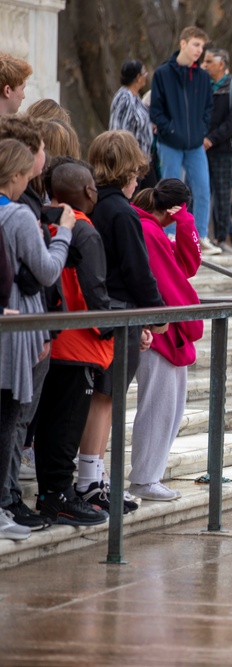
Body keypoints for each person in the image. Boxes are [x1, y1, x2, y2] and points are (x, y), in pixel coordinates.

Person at [77, 130, 166, 514]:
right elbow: (138, 270)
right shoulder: (123, 212)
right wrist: (156, 313)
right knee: (107, 398)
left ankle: (93, 477)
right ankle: (90, 481)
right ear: (129, 168)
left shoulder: (92, 205)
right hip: (119, 312)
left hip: (96, 309)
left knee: (102, 397)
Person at [0, 139, 75, 536]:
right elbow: (47, 271)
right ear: (17, 174)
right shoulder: (16, 216)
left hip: (12, 318)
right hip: (17, 325)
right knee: (12, 415)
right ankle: (5, 501)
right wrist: (63, 234)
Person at [31, 160, 111, 527]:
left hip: (52, 340)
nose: (96, 190)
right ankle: (59, 497)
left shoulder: (41, 218)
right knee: (65, 427)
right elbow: (95, 291)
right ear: (86, 192)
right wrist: (112, 328)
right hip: (79, 346)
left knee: (47, 424)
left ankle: (49, 494)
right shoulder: (84, 230)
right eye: (92, 185)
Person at [128, 179, 204, 500]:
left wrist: (186, 224)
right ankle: (145, 478)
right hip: (157, 328)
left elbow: (186, 265)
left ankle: (150, 475)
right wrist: (189, 318)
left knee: (169, 406)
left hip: (165, 327)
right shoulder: (146, 230)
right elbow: (168, 280)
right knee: (157, 405)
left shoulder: (153, 229)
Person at [149, 26, 218, 255]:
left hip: (195, 144)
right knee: (169, 187)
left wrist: (200, 131)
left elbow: (209, 108)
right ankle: (168, 233)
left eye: (202, 46)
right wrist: (169, 131)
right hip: (170, 142)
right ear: (183, 43)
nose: (200, 50)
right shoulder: (162, 74)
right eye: (196, 44)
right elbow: (156, 110)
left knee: (202, 187)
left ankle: (201, 236)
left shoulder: (203, 77)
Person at [201, 48, 232, 253]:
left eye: (209, 61)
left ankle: (222, 238)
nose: (205, 64)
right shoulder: (202, 84)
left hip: (223, 149)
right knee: (200, 193)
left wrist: (212, 139)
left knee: (222, 194)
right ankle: (200, 236)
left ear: (221, 64)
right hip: (199, 147)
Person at [109, 59, 155, 189]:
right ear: (138, 77)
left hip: (143, 159)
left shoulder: (135, 97)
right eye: (144, 73)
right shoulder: (125, 97)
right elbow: (120, 128)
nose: (146, 76)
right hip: (131, 160)